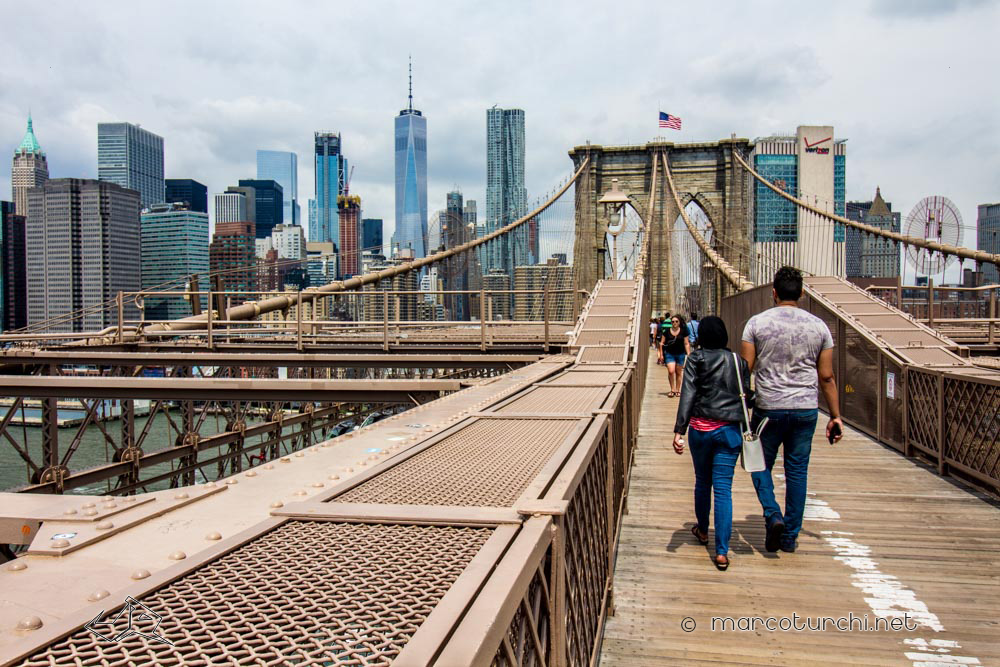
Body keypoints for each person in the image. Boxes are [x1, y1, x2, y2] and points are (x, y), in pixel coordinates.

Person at [740, 266, 843, 554]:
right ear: (801, 293)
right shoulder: (819, 326)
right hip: (804, 409)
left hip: (768, 407)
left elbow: (745, 370)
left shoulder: (755, 324)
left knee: (758, 465)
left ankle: (773, 514)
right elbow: (826, 377)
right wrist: (835, 416)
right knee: (797, 472)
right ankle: (789, 538)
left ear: (773, 293)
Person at [672, 316, 752, 571]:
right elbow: (747, 396)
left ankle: (703, 530)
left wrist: (679, 430)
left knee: (702, 481)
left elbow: (688, 395)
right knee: (723, 490)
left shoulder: (696, 359)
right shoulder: (739, 361)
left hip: (701, 430)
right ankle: (721, 552)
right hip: (729, 432)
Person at [661, 315, 691, 397]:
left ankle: (677, 390)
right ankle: (672, 389)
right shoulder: (666, 331)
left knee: (678, 372)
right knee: (671, 371)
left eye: (676, 321)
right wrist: (661, 355)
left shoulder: (684, 331)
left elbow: (686, 343)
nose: (674, 323)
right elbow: (662, 343)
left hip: (680, 354)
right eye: (673, 321)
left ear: (679, 322)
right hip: (669, 354)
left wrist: (688, 354)